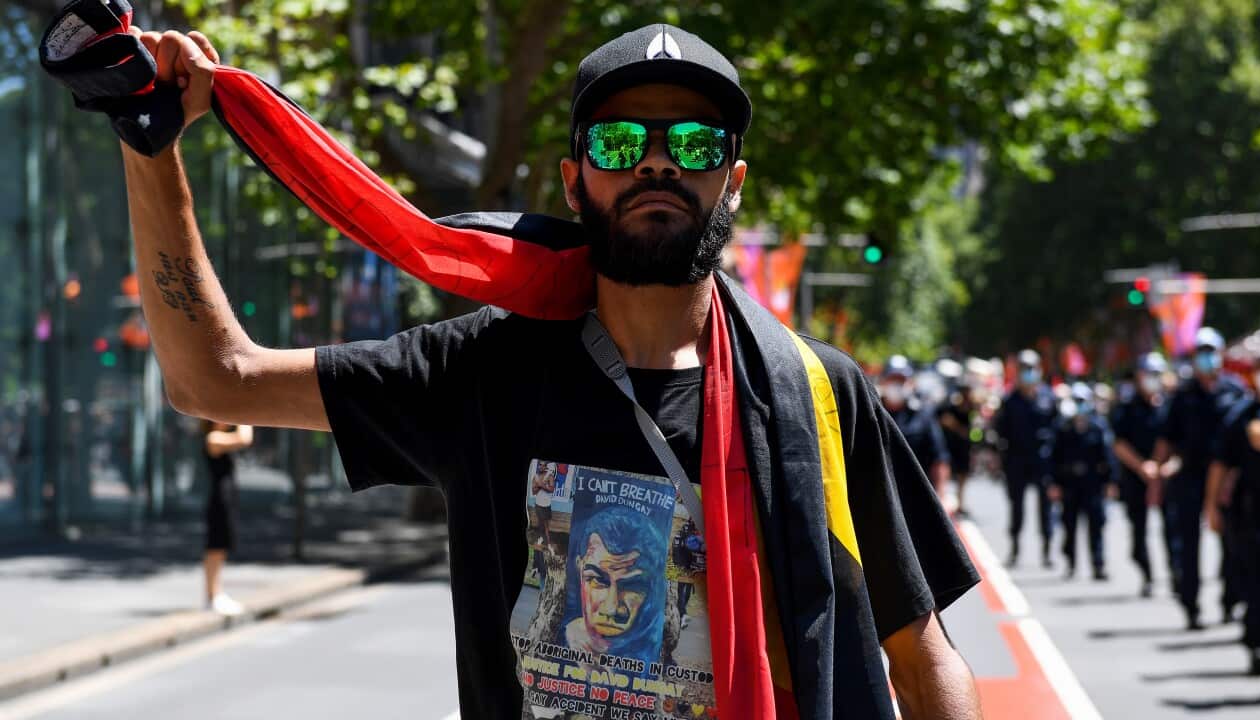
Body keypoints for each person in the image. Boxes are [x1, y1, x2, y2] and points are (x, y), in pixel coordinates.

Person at [120, 23, 981, 719]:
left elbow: (921, 656)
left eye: (692, 141)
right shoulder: (477, 370)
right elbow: (216, 379)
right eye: (617, 142)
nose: (656, 162)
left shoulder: (820, 393)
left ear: (733, 181)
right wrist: (150, 150)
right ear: (575, 183)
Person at [1155, 327, 1248, 629]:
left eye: (1212, 352)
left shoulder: (1234, 391)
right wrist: (1158, 475)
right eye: (1201, 353)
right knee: (1188, 545)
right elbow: (1166, 440)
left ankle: (1231, 598)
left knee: (1233, 542)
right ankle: (1191, 604)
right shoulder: (1182, 396)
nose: (1207, 359)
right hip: (1190, 477)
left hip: (1226, 478)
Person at [1208, 342, 1260, 675]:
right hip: (1254, 512)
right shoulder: (1240, 415)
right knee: (1256, 583)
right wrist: (1211, 506)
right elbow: (1221, 464)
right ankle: (1257, 645)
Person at [1110, 352, 1168, 598]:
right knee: (1139, 530)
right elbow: (1119, 443)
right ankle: (1147, 573)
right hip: (1135, 476)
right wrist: (1142, 467)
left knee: (1174, 529)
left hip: (1164, 474)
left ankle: (1177, 575)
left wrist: (1158, 466)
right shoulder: (1126, 408)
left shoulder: (1169, 405)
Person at [996, 349, 1058, 568]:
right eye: (1024, 369)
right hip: (1017, 459)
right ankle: (1015, 548)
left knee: (1046, 507)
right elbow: (1001, 432)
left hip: (1043, 460)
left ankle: (1048, 550)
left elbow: (1056, 429)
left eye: (1032, 368)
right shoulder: (1009, 400)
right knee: (1017, 506)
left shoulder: (1048, 397)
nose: (1029, 373)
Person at [1051, 384, 1117, 581]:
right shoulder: (1063, 427)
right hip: (1070, 484)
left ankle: (1098, 565)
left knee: (1096, 526)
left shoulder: (1098, 427)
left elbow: (1108, 457)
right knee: (1069, 525)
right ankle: (1071, 563)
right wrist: (1054, 483)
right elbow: (1054, 457)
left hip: (1092, 484)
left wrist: (1110, 482)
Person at [881, 355, 952, 506]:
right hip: (880, 499)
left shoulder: (923, 415)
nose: (897, 385)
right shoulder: (871, 413)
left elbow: (939, 458)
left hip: (915, 499)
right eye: (893, 379)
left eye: (902, 380)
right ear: (883, 381)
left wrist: (941, 496)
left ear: (911, 383)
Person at [200, 420, 253, 616]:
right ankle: (212, 595)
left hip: (227, 497)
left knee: (221, 547)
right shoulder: (213, 438)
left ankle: (216, 592)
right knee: (215, 546)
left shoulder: (218, 437)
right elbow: (244, 438)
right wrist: (245, 415)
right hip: (218, 499)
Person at [939, 382, 975, 517]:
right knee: (947, 475)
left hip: (965, 447)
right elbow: (943, 420)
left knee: (963, 476)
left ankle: (960, 504)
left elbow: (974, 428)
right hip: (951, 446)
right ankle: (943, 502)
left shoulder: (972, 408)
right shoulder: (950, 406)